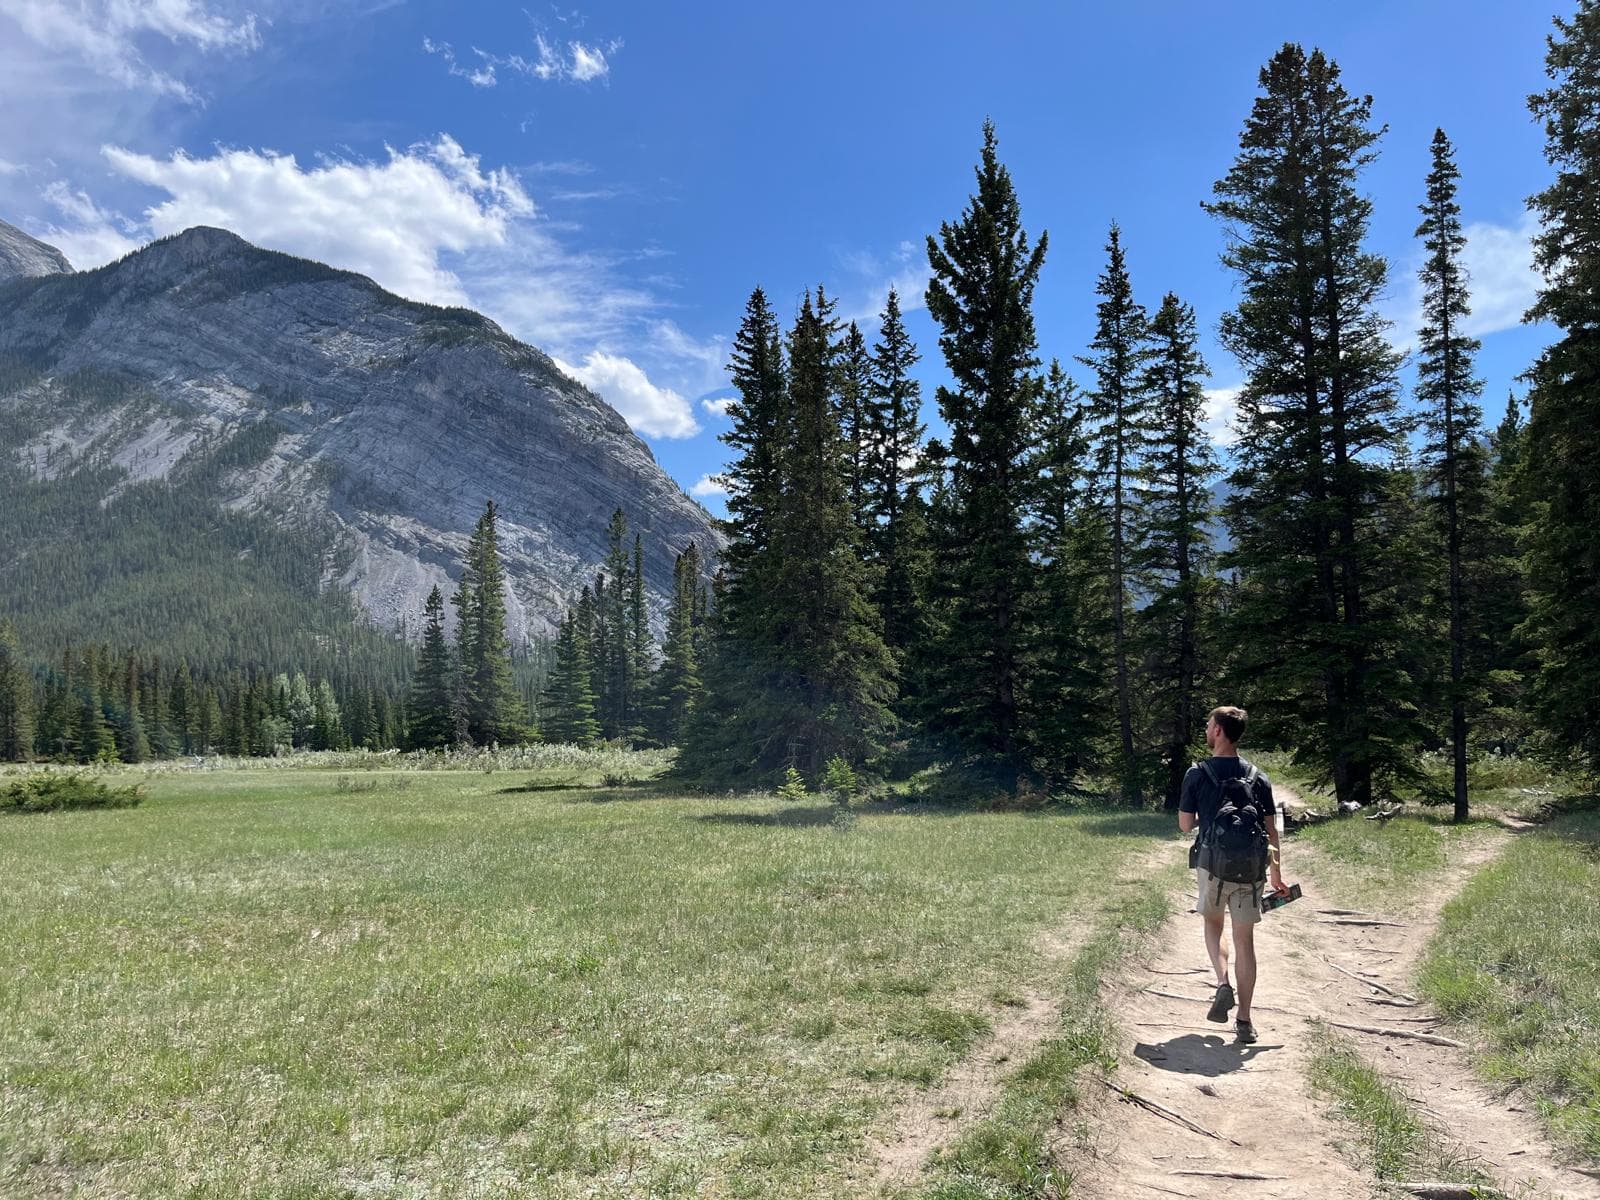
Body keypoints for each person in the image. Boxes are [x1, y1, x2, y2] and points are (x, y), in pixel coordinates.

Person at [1178, 705, 1284, 1045]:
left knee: (1213, 924)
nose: (1206, 730)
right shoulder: (1257, 776)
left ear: (1219, 731)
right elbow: (1271, 830)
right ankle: (1245, 1022)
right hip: (1251, 870)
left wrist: (1207, 815)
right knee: (1245, 941)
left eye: (1209, 725)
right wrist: (1277, 873)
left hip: (1213, 866)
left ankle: (1223, 983)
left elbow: (1185, 825)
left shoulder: (1197, 773)